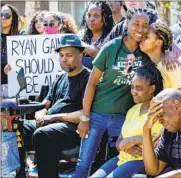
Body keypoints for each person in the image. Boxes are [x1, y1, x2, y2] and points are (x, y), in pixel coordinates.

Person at [73, 8, 153, 178]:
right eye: (136, 24)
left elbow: (163, 53)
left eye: (145, 25)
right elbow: (92, 83)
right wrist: (84, 117)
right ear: (126, 24)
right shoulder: (111, 48)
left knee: (124, 157)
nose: (140, 29)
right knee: (84, 163)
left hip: (124, 117)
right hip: (97, 114)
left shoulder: (145, 52)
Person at [22, 34, 90, 178]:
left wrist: (53, 118)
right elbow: (44, 105)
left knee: (43, 135)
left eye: (69, 55)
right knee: (17, 127)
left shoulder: (88, 78)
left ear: (81, 54)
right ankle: (20, 172)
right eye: (61, 55)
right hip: (51, 122)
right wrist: (41, 116)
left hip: (73, 127)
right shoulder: (60, 77)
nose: (64, 58)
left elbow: (86, 113)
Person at [90, 64, 163, 178]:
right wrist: (126, 147)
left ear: (152, 89)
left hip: (141, 161)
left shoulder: (160, 112)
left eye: (138, 88)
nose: (134, 92)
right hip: (122, 157)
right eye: (132, 87)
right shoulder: (132, 111)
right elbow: (120, 140)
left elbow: (160, 142)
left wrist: (134, 140)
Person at [140, 20, 181, 94]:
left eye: (146, 37)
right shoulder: (144, 62)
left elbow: (180, 95)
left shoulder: (171, 65)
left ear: (158, 42)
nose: (141, 39)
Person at [1, 4, 24, 99]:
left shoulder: (21, 39)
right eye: (1, 15)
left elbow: (28, 65)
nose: (3, 18)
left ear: (13, 18)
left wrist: (13, 71)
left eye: (7, 15)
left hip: (15, 89)